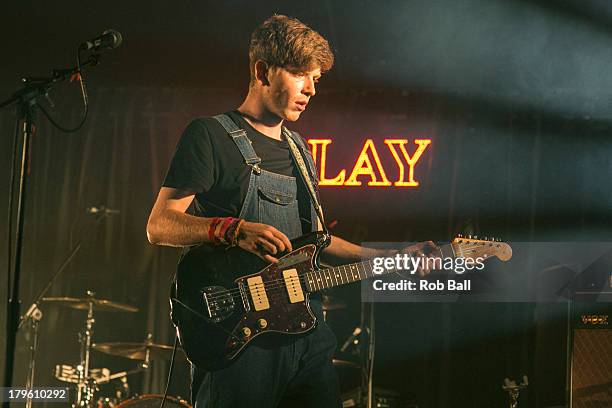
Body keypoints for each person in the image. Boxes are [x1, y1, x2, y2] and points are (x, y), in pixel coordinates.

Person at [147, 14, 433, 408]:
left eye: (317, 79)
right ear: (262, 70)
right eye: (300, 74)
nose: (311, 89)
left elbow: (319, 240)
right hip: (240, 336)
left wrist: (389, 258)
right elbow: (159, 225)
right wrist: (233, 229)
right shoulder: (210, 135)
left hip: (307, 334)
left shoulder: (300, 151)